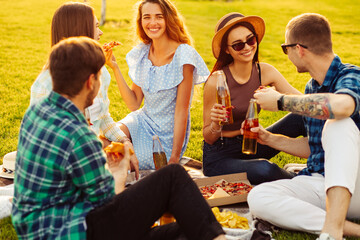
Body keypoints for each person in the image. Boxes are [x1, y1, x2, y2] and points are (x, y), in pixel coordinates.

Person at [12, 36, 226, 240]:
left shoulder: (37, 111)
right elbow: (108, 203)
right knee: (173, 176)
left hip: (39, 229)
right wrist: (119, 170)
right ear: (90, 82)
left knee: (188, 228)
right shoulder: (79, 136)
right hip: (77, 231)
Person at [247, 13, 360, 240]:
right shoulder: (311, 87)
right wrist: (270, 139)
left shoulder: (352, 75)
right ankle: (344, 228)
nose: (286, 54)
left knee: (338, 124)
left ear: (298, 49)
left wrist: (281, 101)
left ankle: (332, 232)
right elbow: (316, 148)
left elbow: (343, 106)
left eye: (284, 48)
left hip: (356, 184)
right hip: (322, 181)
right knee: (259, 197)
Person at [29, 1, 139, 177]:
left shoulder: (100, 72)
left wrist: (124, 141)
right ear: (80, 31)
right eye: (96, 26)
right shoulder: (46, 85)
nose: (101, 32)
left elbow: (103, 117)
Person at [202, 12, 306, 185]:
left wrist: (280, 100)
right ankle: (308, 184)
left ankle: (323, 163)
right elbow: (209, 138)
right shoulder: (216, 82)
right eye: (237, 45)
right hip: (220, 156)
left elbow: (302, 102)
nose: (247, 47)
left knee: (301, 116)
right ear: (227, 50)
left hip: (253, 142)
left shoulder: (264, 71)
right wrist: (215, 124)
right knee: (266, 169)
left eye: (250, 40)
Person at [110, 0, 209, 169]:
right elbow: (134, 103)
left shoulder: (184, 55)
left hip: (167, 136)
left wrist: (174, 157)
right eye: (146, 17)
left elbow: (181, 111)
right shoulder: (143, 52)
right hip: (142, 120)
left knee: (126, 161)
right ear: (141, 22)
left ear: (168, 19)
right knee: (107, 139)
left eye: (159, 17)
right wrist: (114, 67)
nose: (152, 23)